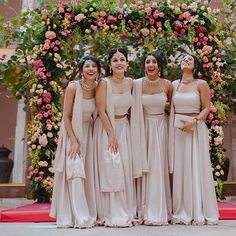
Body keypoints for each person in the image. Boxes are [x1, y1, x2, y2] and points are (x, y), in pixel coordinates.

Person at [50, 55, 101, 228]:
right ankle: (77, 216)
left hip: (89, 133)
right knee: (75, 172)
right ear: (81, 69)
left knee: (86, 173)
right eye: (87, 66)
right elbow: (66, 116)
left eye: (94, 66)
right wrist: (73, 141)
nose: (91, 69)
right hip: (72, 133)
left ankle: (87, 211)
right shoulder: (73, 87)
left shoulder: (97, 87)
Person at [169, 54, 219, 225]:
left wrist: (195, 121)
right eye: (183, 59)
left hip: (195, 128)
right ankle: (182, 208)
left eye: (189, 59)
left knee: (196, 167)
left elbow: (207, 107)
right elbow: (170, 106)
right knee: (181, 168)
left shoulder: (201, 84)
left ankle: (197, 209)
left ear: (195, 65)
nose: (186, 60)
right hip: (178, 130)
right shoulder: (175, 84)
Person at [94, 48, 134, 227]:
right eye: (115, 60)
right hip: (106, 129)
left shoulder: (132, 82)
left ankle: (127, 208)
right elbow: (101, 110)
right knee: (111, 166)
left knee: (124, 167)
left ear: (127, 63)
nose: (119, 63)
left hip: (125, 128)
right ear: (109, 65)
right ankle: (109, 211)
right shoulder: (104, 83)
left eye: (122, 59)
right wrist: (111, 135)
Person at [131, 52, 173, 225]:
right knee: (144, 167)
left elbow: (173, 107)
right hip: (142, 127)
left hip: (161, 128)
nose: (151, 65)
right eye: (148, 62)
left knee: (158, 167)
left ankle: (160, 208)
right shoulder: (137, 84)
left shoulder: (168, 85)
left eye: (154, 62)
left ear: (159, 66)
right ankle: (143, 208)